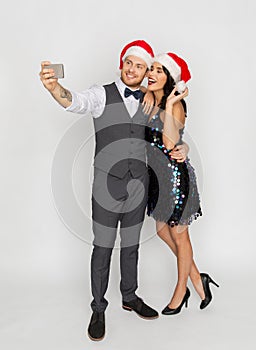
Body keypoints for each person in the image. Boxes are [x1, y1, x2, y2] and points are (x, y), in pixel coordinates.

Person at [39, 40, 189, 341]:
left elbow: (169, 137)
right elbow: (74, 100)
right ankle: (98, 307)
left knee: (132, 245)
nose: (132, 69)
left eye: (140, 65)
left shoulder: (151, 100)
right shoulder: (101, 94)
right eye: (129, 62)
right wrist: (55, 88)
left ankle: (130, 296)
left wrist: (182, 144)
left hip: (139, 184)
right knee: (103, 246)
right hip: (106, 185)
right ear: (122, 63)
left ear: (147, 71)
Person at [145, 52, 219, 315]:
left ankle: (181, 290)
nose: (152, 74)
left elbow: (168, 143)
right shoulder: (149, 97)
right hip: (157, 179)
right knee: (162, 231)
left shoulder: (174, 106)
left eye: (159, 71)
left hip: (175, 178)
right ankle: (199, 278)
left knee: (179, 233)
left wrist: (171, 102)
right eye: (151, 68)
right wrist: (149, 93)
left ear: (170, 79)